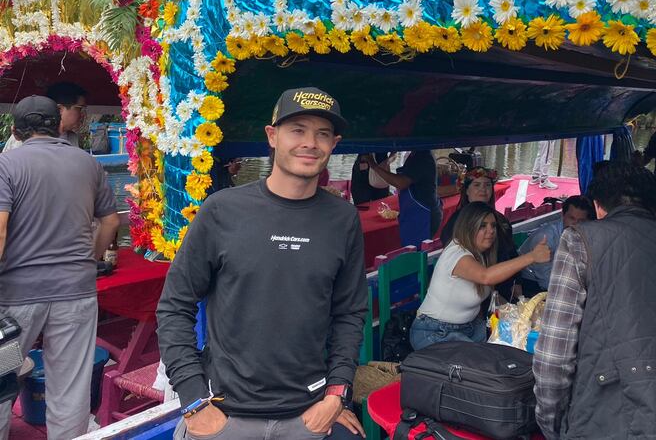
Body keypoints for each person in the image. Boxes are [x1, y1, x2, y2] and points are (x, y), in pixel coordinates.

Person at [157, 87, 366, 440]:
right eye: (297, 129)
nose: (310, 143)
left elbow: (350, 312)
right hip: (224, 415)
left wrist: (337, 393)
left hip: (310, 414)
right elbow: (174, 306)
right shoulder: (222, 211)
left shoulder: (343, 219)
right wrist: (193, 400)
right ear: (272, 136)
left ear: (335, 144)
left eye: (323, 134)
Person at [533, 163, 656, 439]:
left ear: (598, 208)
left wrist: (552, 425)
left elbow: (554, 357)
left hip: (609, 420)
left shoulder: (581, 240)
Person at [0, 96, 119, 439]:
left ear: (15, 131)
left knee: (3, 376)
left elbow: (1, 228)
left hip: (16, 300)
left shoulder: (6, 166)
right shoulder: (88, 164)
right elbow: (110, 223)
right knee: (70, 386)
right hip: (76, 294)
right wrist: (91, 261)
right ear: (58, 124)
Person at [410, 202, 551, 350]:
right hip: (435, 332)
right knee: (484, 366)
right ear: (468, 227)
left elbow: (492, 294)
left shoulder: (481, 255)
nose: (490, 231)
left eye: (493, 226)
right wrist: (532, 257)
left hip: (471, 328)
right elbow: (486, 277)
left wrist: (518, 313)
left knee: (511, 349)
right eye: (482, 226)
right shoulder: (456, 252)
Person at [440, 167, 521, 301]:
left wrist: (517, 282)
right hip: (475, 290)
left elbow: (511, 252)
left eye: (487, 185)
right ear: (466, 190)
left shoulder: (501, 221)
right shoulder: (457, 222)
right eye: (477, 185)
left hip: (506, 286)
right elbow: (470, 269)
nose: (483, 189)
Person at [362, 149, 441, 247]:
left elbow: (401, 182)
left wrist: (374, 166)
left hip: (423, 213)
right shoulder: (415, 155)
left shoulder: (423, 157)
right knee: (410, 248)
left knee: (416, 252)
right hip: (413, 211)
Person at [518, 196, 592, 295]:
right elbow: (546, 280)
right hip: (532, 282)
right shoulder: (546, 238)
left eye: (581, 221)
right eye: (572, 218)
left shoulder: (588, 234)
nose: (575, 224)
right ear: (563, 215)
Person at [2, 82, 87, 153]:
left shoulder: (72, 138)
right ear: (59, 109)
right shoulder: (26, 135)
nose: (83, 114)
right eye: (79, 108)